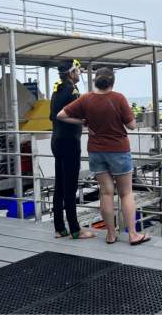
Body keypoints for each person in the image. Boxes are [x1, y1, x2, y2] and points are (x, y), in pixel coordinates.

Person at [57, 67, 151, 246]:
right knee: (126, 193)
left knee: (106, 192)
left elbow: (61, 115)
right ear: (112, 82)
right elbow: (131, 125)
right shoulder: (119, 98)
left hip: (96, 151)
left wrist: (84, 122)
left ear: (95, 81)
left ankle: (110, 234)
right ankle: (133, 234)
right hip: (118, 150)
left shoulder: (86, 98)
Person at [49, 59, 95, 239]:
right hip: (69, 142)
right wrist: (85, 122)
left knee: (60, 185)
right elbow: (81, 114)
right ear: (71, 72)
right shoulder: (72, 91)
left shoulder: (57, 90)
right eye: (78, 70)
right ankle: (75, 229)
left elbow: (53, 116)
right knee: (70, 186)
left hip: (56, 140)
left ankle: (59, 228)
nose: (79, 73)